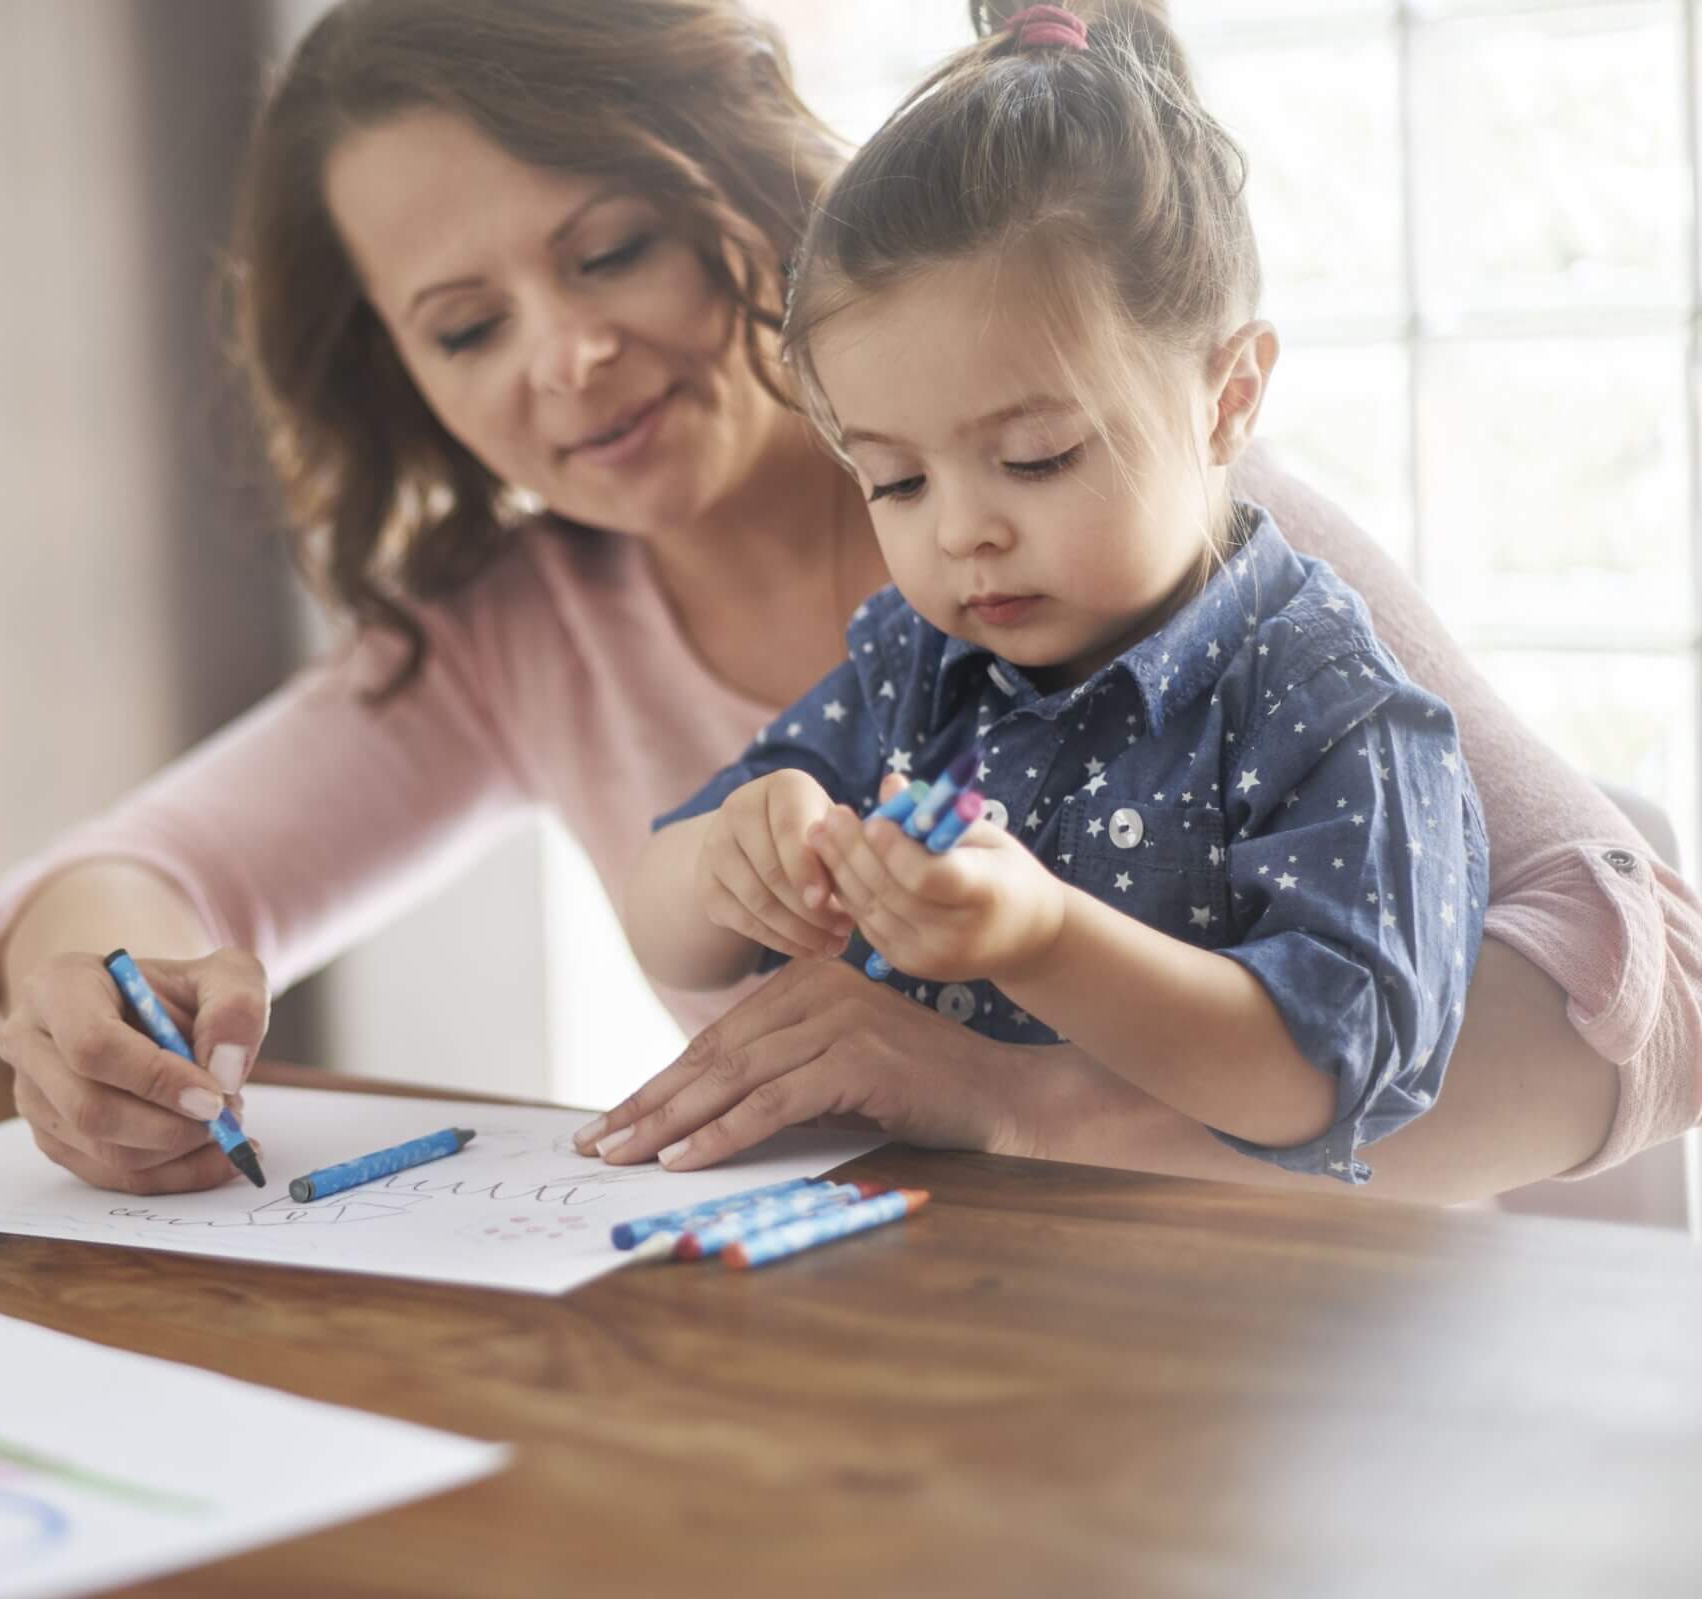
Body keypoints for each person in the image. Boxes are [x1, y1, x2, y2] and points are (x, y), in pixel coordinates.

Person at [0, 0, 1701, 1204]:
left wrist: (1020, 1103)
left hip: (1346, 1357)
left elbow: (1664, 993)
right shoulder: (540, 626)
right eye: (465, 326)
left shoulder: (1179, 551)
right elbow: (135, 875)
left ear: (738, 177)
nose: (567, 359)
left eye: (609, 247)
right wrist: (94, 1008)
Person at [620, 0, 1483, 1187]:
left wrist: (1044, 938)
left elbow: (1325, 1076)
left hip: (1214, 1317)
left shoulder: (1327, 707)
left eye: (1036, 459)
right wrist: (732, 855)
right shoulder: (914, 668)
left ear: (1229, 397)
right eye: (897, 479)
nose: (963, 530)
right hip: (913, 1282)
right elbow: (662, 914)